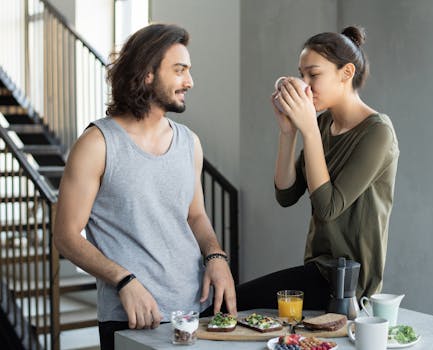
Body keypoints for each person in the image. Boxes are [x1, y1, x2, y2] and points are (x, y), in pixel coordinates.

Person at [53, 24, 236, 350]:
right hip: (131, 316)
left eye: (188, 71)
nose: (189, 82)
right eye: (179, 71)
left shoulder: (189, 143)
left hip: (197, 311)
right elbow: (66, 236)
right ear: (147, 74)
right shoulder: (97, 144)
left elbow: (196, 217)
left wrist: (216, 256)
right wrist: (124, 280)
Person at [236, 25, 399, 311]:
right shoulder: (323, 125)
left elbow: (327, 208)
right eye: (301, 74)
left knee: (233, 301)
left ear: (346, 73)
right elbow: (286, 195)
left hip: (348, 284)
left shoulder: (378, 133)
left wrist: (308, 129)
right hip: (318, 270)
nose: (305, 84)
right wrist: (288, 133)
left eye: (314, 74)